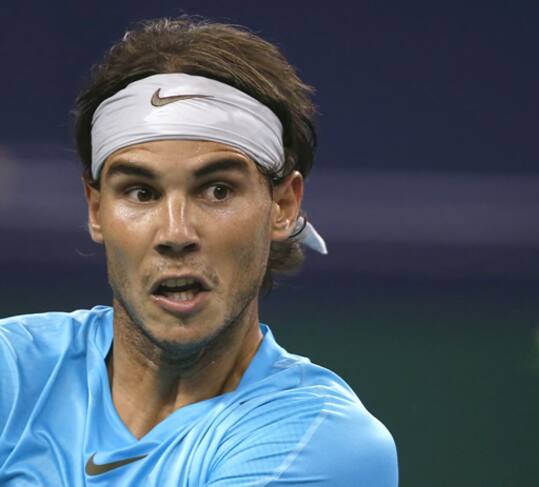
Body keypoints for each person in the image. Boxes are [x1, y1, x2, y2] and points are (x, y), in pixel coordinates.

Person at [0, 17, 398, 486]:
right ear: (96, 209)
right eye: (141, 193)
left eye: (217, 190)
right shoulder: (13, 368)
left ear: (283, 206)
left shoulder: (322, 442)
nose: (176, 233)